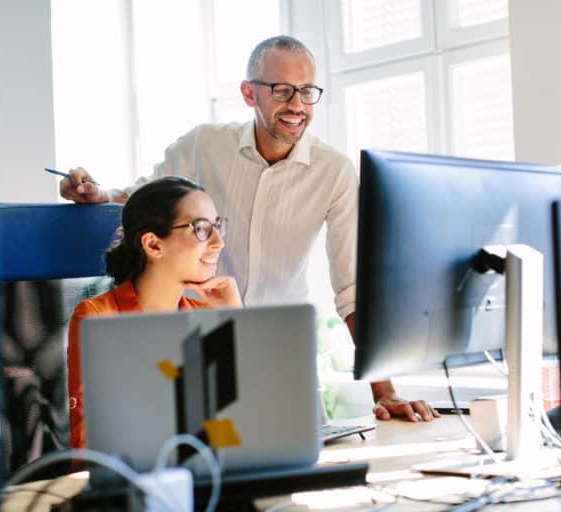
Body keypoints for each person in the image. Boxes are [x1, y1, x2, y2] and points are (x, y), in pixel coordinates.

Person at [60, 35, 439, 423]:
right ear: (249, 93)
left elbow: (352, 289)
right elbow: (147, 196)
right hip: (201, 352)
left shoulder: (334, 171)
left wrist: (385, 390)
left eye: (307, 92)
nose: (297, 105)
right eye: (282, 90)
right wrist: (98, 193)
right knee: (219, 455)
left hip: (281, 359)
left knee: (301, 464)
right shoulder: (203, 145)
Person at [67, 176, 241, 448]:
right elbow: (91, 446)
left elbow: (232, 430)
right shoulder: (99, 317)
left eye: (218, 227)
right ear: (153, 245)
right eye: (201, 229)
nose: (219, 242)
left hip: (204, 477)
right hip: (132, 483)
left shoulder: (204, 314)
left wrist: (232, 320)